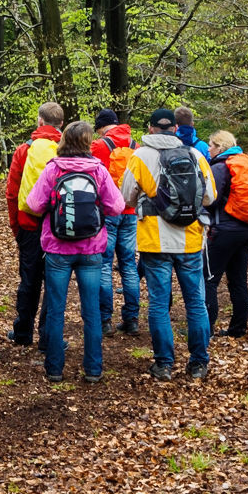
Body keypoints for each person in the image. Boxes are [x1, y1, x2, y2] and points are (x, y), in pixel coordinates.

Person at [120, 108, 218, 381]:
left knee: (159, 305)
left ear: (150, 129)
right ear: (175, 128)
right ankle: (199, 363)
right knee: (196, 303)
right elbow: (210, 197)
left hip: (154, 241)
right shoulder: (195, 155)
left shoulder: (140, 156)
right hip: (190, 238)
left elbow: (126, 197)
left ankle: (164, 363)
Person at [27, 120, 125, 383]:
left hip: (58, 249)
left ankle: (55, 369)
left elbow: (33, 204)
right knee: (91, 310)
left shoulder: (53, 169)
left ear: (64, 141)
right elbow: (117, 206)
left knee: (56, 309)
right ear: (87, 142)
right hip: (91, 248)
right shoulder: (98, 170)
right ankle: (93, 369)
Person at [5, 101, 65, 347]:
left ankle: (23, 332)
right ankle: (48, 336)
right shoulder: (67, 149)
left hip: (29, 224)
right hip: (60, 226)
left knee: (29, 279)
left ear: (40, 121)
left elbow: (12, 192)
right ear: (61, 124)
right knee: (54, 280)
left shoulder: (24, 150)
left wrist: (15, 226)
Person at [204, 130, 248, 338]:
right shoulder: (247, 163)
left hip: (224, 230)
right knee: (238, 280)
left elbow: (211, 198)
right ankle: (238, 328)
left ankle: (205, 329)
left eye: (212, 146)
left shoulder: (220, 167)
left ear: (220, 148)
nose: (209, 149)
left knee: (209, 280)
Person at [91, 109, 141, 334]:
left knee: (104, 264)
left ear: (102, 127)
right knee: (129, 264)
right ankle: (131, 319)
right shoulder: (136, 146)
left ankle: (105, 320)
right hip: (130, 211)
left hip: (106, 211)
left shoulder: (100, 146)